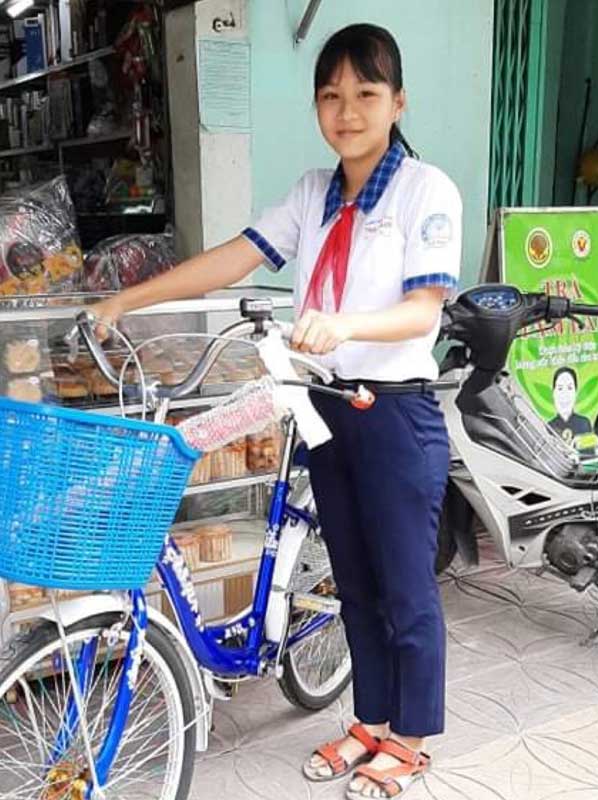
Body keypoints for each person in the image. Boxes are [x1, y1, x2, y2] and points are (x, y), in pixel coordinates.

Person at [89, 23, 461, 799]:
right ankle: (370, 721)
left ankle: (412, 737)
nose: (347, 110)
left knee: (403, 586)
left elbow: (424, 308)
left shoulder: (426, 191)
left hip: (394, 413)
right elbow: (235, 256)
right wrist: (130, 297)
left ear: (398, 101)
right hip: (323, 409)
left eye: (365, 93)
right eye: (331, 95)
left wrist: (348, 325)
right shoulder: (312, 194)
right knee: (354, 581)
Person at [548, 367, 591, 445]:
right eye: (560, 388)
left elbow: (590, 454)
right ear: (553, 393)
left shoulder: (584, 423)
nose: (565, 394)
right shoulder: (548, 427)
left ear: (576, 392)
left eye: (570, 388)